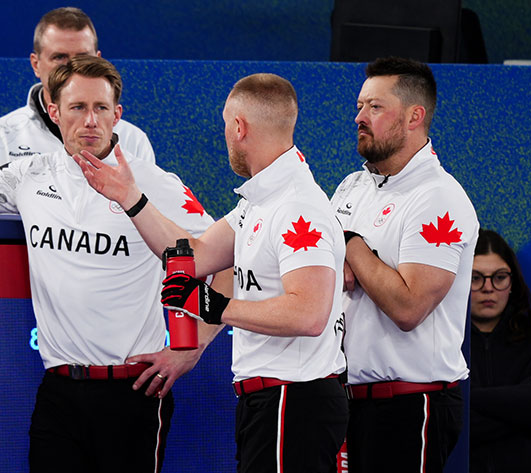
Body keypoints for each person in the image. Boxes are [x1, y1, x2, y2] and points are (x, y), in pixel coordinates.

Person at [0, 55, 229, 473]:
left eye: (101, 108)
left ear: (117, 115)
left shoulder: (156, 185)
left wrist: (191, 349)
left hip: (134, 390)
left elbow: (227, 261)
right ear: (54, 111)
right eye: (78, 107)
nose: (90, 121)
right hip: (58, 391)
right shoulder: (31, 175)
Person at [73, 72, 348, 473]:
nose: (225, 136)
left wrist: (216, 306)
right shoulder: (260, 201)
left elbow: (309, 314)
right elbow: (194, 256)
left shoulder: (297, 206)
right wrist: (129, 197)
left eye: (225, 125)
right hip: (271, 400)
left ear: (239, 127)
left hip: (294, 399)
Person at [329, 56, 479, 472]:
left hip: (411, 403)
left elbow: (409, 307)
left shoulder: (438, 198)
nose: (359, 117)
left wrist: (351, 245)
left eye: (375, 107)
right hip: (346, 401)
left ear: (415, 116)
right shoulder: (351, 186)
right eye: (360, 105)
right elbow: (328, 275)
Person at [0, 6, 155, 177]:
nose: (72, 66)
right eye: (59, 57)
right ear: (36, 64)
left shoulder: (133, 141)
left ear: (98, 61)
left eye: (82, 57)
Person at [469, 229, 531, 473]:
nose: (488, 288)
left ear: (512, 282)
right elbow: (445, 425)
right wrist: (527, 397)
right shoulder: (443, 349)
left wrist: (468, 399)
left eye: (499, 277)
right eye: (475, 278)